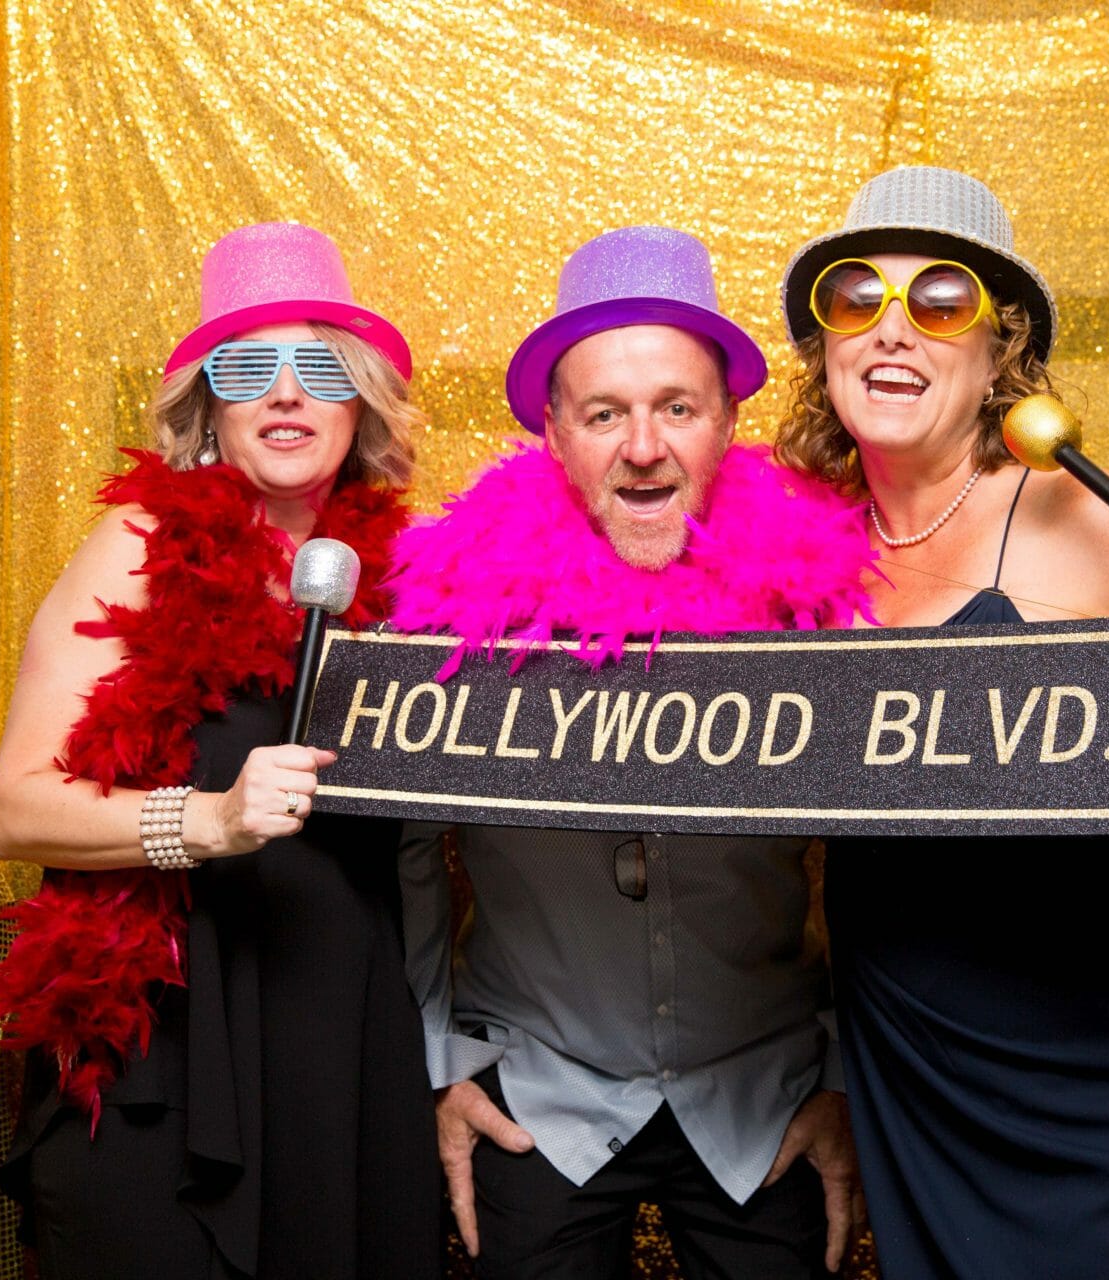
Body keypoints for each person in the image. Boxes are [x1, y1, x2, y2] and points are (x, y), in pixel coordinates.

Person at [774, 167, 1109, 1279]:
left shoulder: (1077, 517)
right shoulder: (786, 552)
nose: (894, 329)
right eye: (857, 297)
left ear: (997, 350)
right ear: (825, 347)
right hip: (916, 1048)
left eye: (942, 301)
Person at [384, 225, 872, 1280]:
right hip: (540, 1086)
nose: (643, 446)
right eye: (605, 413)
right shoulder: (464, 614)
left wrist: (843, 1072)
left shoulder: (815, 604)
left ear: (727, 424)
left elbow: (885, 853)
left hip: (763, 1093)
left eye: (676, 408)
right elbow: (410, 845)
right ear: (555, 436)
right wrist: (438, 1068)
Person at [0, 222, 440, 1279]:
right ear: (212, 409)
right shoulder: (141, 542)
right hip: (172, 1046)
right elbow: (15, 805)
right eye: (249, 368)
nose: (285, 392)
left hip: (344, 1041)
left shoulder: (404, 580)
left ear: (358, 399)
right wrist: (207, 818)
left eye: (317, 366)